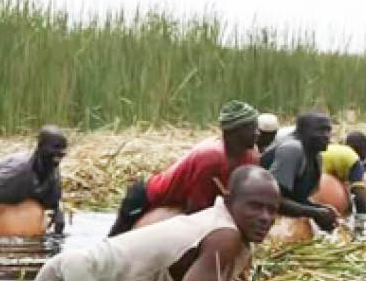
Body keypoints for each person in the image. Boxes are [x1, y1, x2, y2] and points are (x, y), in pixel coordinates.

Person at [25, 166, 280, 281]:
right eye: (255, 206)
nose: (265, 217)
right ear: (229, 200)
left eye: (272, 210)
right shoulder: (224, 235)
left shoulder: (230, 233)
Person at [108, 100, 260, 236]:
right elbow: (196, 210)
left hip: (195, 204)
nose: (257, 133)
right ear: (233, 132)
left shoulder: (251, 156)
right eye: (252, 129)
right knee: (114, 243)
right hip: (147, 198)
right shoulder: (210, 158)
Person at [261, 112, 338, 231]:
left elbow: (297, 198)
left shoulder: (316, 157)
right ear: (303, 131)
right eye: (320, 131)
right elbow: (272, 198)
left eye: (328, 130)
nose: (326, 136)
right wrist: (314, 212)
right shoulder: (292, 149)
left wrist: (319, 209)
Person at [321, 131, 366, 215]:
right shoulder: (355, 160)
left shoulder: (339, 149)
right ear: (363, 150)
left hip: (320, 155)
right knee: (357, 192)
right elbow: (358, 196)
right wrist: (363, 217)